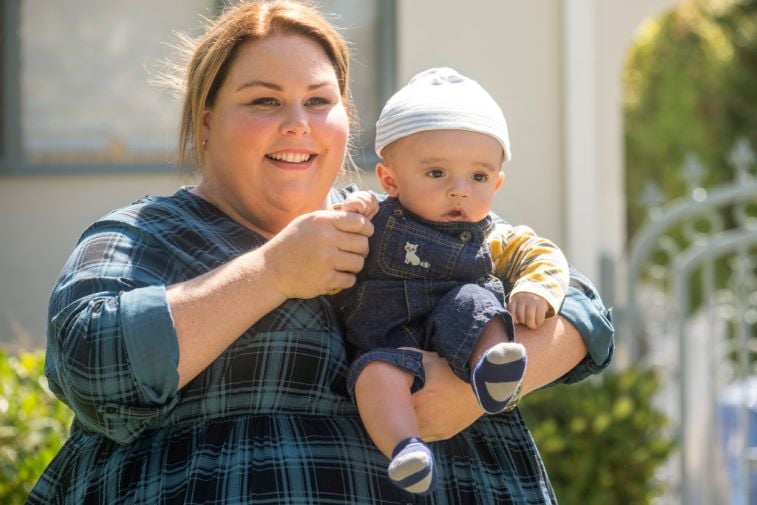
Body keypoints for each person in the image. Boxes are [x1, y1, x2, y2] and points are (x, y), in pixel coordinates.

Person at [27, 1, 614, 503]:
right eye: (264, 102)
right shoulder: (149, 233)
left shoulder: (406, 218)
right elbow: (89, 362)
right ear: (206, 123)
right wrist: (272, 271)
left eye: (318, 101)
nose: (296, 125)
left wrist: (474, 392)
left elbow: (584, 309)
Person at [332, 67, 571, 495]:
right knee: (372, 376)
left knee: (478, 303)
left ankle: (494, 369)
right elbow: (330, 261)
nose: (459, 190)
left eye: (478, 177)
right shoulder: (372, 220)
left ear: (496, 183)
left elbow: (542, 254)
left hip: (461, 344)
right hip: (389, 347)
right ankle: (407, 450)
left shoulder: (492, 236)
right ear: (390, 179)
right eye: (437, 174)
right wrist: (348, 218)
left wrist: (537, 288)